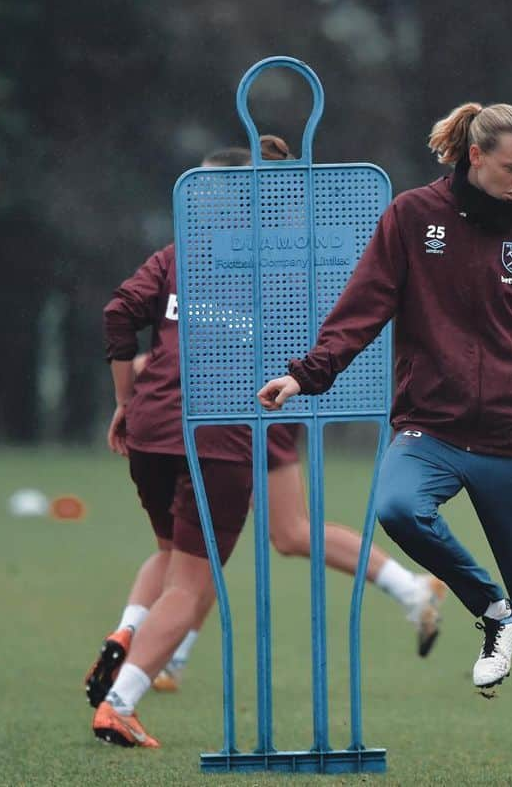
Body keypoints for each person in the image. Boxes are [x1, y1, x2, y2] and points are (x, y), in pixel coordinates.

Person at [258, 103, 512, 787]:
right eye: (511, 167)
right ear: (475, 156)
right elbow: (362, 307)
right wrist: (303, 374)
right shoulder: (413, 217)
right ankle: (494, 613)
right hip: (429, 428)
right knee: (397, 509)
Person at [88, 136, 444, 749]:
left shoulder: (195, 252)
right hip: (239, 414)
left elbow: (126, 313)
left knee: (211, 546)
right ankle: (135, 684)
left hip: (177, 417)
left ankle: (136, 636)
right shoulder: (280, 258)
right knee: (215, 566)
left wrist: (131, 388)